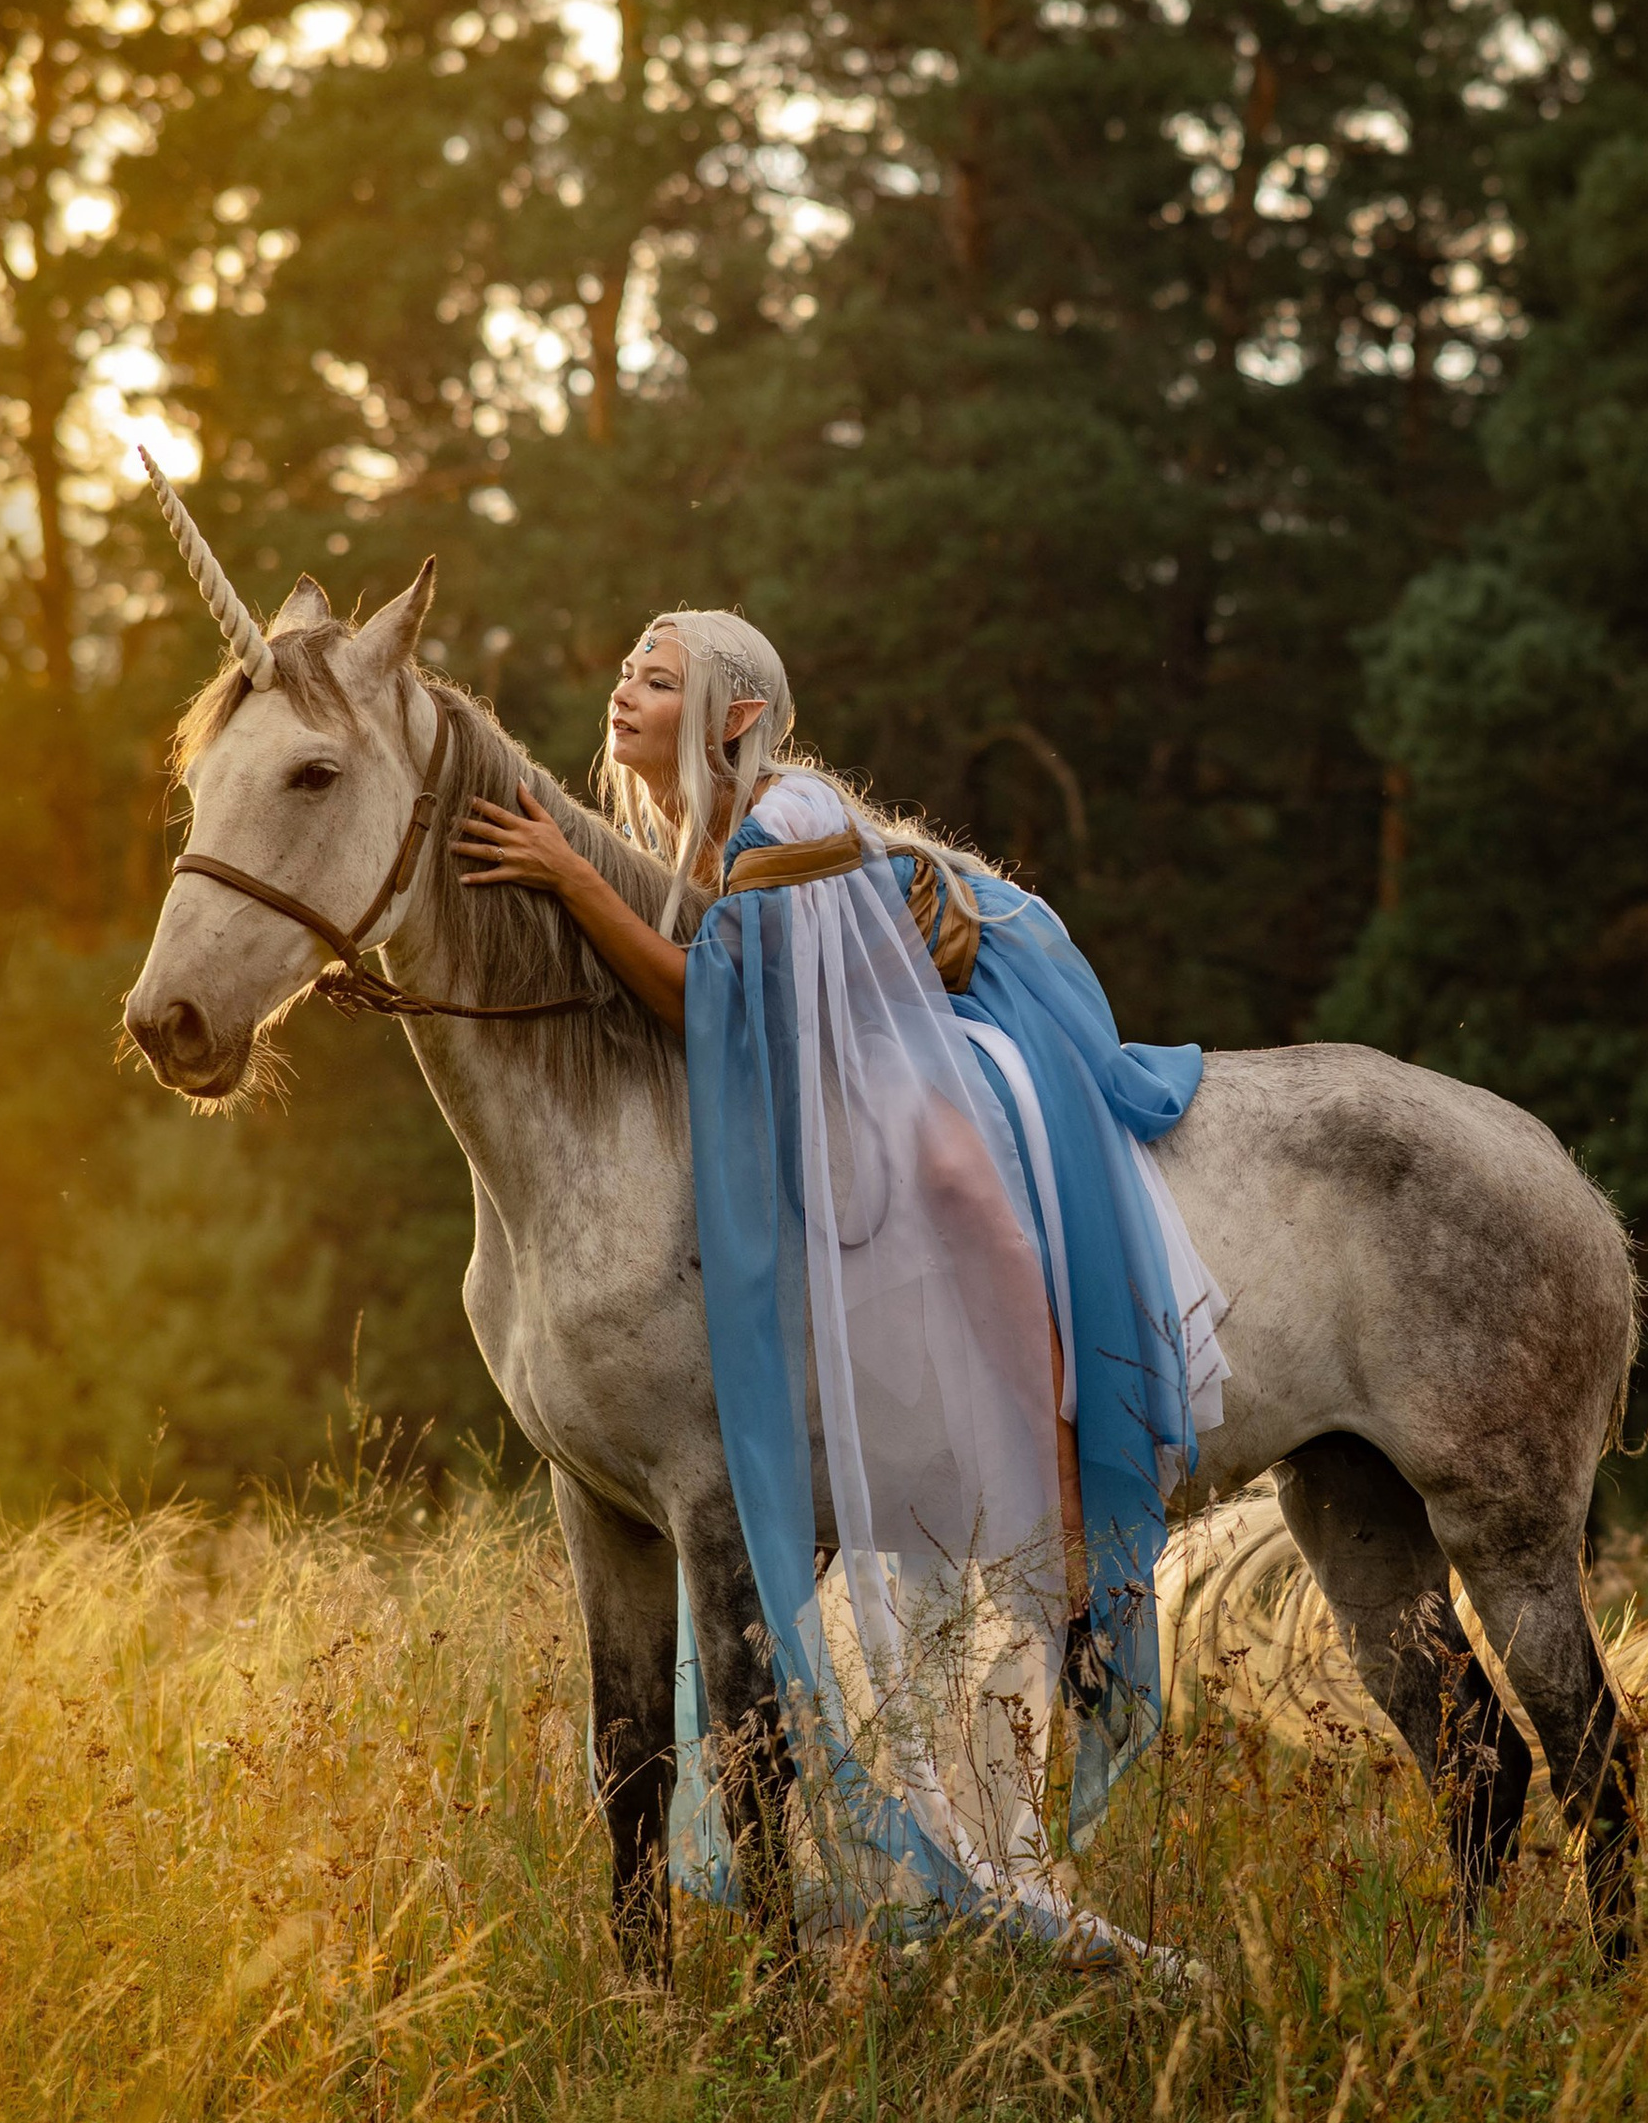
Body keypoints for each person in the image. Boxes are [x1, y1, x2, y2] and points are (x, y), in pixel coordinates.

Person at [453, 609, 1227, 1952]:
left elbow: (703, 1003)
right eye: (627, 671)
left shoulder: (783, 810)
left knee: (953, 1151)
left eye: (659, 675)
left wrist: (565, 877)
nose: (625, 691)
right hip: (856, 1042)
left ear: (738, 716)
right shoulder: (696, 836)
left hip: (959, 1022)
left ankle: (1061, 1436)